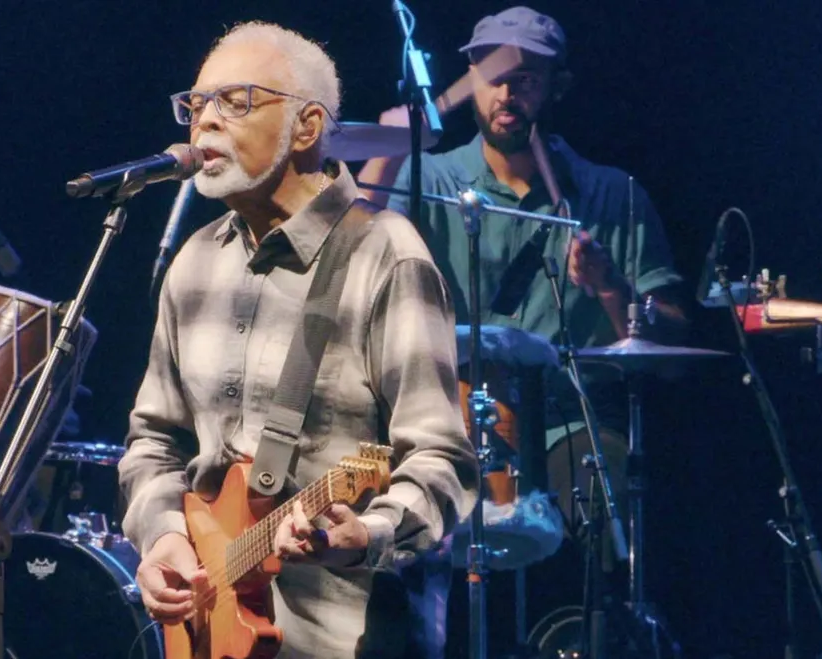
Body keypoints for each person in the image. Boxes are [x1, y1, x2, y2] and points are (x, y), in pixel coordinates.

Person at [117, 21, 478, 659]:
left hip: (350, 636)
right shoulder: (195, 264)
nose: (203, 123)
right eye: (195, 104)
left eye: (234, 101)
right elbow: (153, 441)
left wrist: (365, 533)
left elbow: (442, 459)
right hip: (212, 632)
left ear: (307, 127)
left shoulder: (385, 254)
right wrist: (163, 536)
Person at [357, 6, 687, 534]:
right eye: (492, 78)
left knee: (609, 489)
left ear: (559, 87)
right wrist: (389, 154)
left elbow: (671, 353)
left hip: (568, 420)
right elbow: (348, 254)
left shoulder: (612, 195)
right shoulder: (430, 181)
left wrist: (609, 287)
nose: (507, 94)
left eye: (526, 79)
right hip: (445, 418)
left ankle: (598, 619)